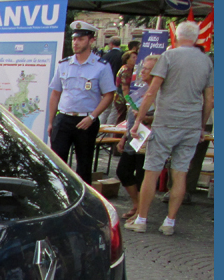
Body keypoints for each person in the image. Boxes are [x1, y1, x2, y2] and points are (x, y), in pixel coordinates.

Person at [126, 20, 214, 235]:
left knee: (152, 172)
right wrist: (201, 126)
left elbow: (151, 91)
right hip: (191, 124)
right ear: (196, 39)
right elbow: (210, 100)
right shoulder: (206, 61)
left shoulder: (169, 56)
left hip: (165, 122)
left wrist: (138, 121)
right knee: (181, 174)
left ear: (176, 37)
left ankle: (142, 219)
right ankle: (170, 222)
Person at [45, 20, 116, 184]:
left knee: (84, 165)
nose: (75, 43)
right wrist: (51, 121)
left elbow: (108, 95)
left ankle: (82, 203)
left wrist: (93, 117)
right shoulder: (64, 64)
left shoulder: (101, 66)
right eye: (74, 39)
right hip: (63, 118)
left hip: (86, 120)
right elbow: (55, 93)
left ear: (91, 40)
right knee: (57, 164)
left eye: (81, 39)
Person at [115, 54, 159, 220]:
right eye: (143, 69)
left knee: (142, 176)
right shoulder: (141, 90)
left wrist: (147, 118)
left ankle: (141, 212)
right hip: (134, 137)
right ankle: (137, 204)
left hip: (148, 139)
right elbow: (131, 116)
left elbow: (162, 117)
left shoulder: (159, 92)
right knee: (123, 171)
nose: (142, 72)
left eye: (147, 69)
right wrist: (124, 137)